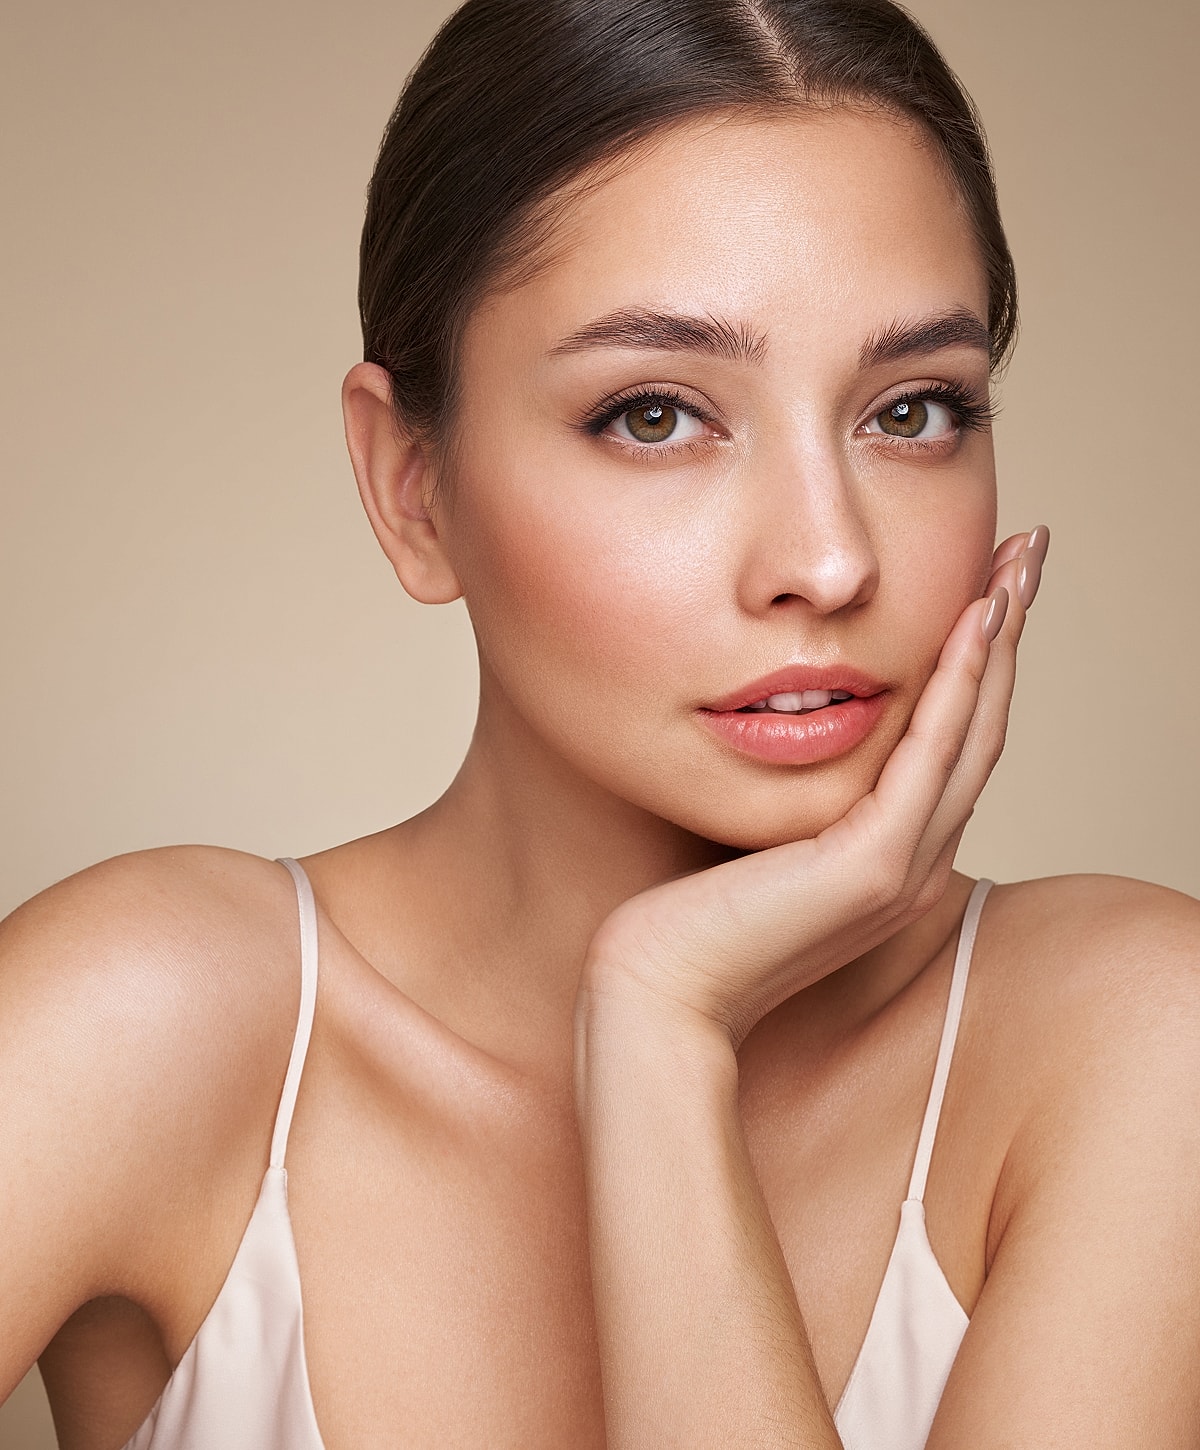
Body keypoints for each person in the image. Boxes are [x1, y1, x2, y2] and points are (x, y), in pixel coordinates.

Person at [2, 0, 1198, 1446]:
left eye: (912, 412)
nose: (827, 560)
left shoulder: (1135, 1041)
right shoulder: (151, 1022)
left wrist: (659, 1031)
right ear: (410, 486)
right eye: (654, 415)